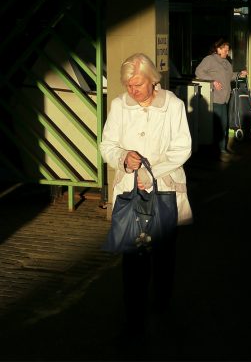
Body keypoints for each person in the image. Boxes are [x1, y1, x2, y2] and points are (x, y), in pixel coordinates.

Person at [100, 53, 192, 334]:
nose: (132, 90)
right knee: (133, 256)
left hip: (163, 190)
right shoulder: (118, 106)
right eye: (127, 85)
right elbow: (107, 145)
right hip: (130, 193)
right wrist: (123, 158)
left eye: (137, 84)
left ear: (153, 80)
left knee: (164, 252)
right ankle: (134, 316)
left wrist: (152, 173)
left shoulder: (173, 106)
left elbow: (182, 148)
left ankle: (162, 304)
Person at [195, 38, 247, 159]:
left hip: (225, 98)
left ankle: (222, 149)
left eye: (228, 50)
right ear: (218, 49)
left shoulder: (226, 62)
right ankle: (217, 151)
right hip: (215, 98)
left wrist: (239, 74)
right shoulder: (210, 59)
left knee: (224, 125)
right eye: (225, 50)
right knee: (218, 126)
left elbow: (229, 77)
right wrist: (212, 81)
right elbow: (198, 71)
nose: (227, 52)